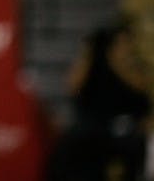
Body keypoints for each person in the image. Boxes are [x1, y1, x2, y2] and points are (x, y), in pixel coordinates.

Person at [46, 14, 152, 181]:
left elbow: (140, 87)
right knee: (69, 145)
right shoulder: (94, 63)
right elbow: (72, 86)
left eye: (125, 43)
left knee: (134, 145)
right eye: (118, 43)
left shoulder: (135, 66)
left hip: (125, 127)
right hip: (93, 126)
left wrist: (118, 62)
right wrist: (88, 51)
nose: (122, 47)